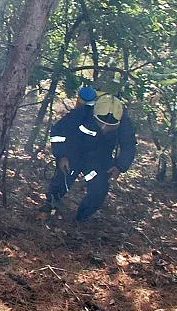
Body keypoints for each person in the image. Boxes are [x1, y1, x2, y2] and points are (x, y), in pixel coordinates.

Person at [45, 93, 136, 222]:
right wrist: (62, 155)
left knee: (99, 190)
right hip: (74, 153)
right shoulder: (83, 112)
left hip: (99, 160)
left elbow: (129, 146)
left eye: (109, 127)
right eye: (101, 124)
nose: (104, 129)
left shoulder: (124, 121)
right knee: (63, 179)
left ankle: (81, 219)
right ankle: (50, 205)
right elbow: (58, 132)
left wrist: (120, 166)